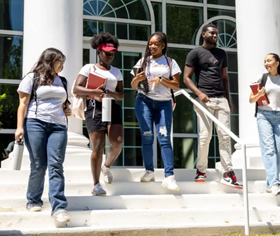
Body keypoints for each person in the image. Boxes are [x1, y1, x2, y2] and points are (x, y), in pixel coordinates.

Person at [15, 48, 71, 225]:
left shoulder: (62, 81)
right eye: (59, 60)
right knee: (39, 164)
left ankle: (59, 207)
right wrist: (19, 127)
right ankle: (33, 200)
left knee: (56, 165)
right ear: (50, 60)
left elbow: (64, 103)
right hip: (35, 123)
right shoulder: (32, 78)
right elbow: (23, 104)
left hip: (59, 126)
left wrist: (67, 109)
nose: (62, 64)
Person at [184, 23, 242, 189]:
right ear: (204, 34)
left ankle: (228, 172)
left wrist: (228, 100)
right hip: (205, 100)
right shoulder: (195, 53)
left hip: (221, 99)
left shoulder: (221, 53)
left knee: (224, 136)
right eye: (212, 33)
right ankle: (201, 170)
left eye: (216, 34)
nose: (215, 36)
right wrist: (199, 94)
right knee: (205, 136)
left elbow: (224, 78)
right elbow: (186, 78)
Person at [73, 32, 124, 196]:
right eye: (107, 53)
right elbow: (76, 89)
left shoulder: (116, 71)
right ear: (99, 52)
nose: (110, 56)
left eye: (112, 53)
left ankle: (106, 166)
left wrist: (111, 92)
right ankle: (96, 184)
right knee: (98, 146)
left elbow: (121, 95)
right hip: (94, 106)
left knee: (117, 142)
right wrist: (94, 90)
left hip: (112, 105)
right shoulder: (89, 68)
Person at [131, 32, 180, 191]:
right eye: (150, 43)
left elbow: (176, 85)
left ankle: (169, 176)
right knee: (147, 137)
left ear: (163, 46)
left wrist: (161, 80)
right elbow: (133, 86)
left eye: (156, 44)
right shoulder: (142, 62)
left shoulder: (170, 62)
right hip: (144, 101)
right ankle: (149, 171)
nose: (152, 46)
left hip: (163, 104)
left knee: (164, 139)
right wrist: (136, 80)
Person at [249, 53, 280, 196]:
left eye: (269, 61)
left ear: (277, 63)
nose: (266, 63)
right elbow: (251, 99)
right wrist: (259, 94)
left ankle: (270, 182)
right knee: (269, 149)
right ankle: (275, 183)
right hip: (264, 115)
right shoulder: (262, 79)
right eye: (265, 61)